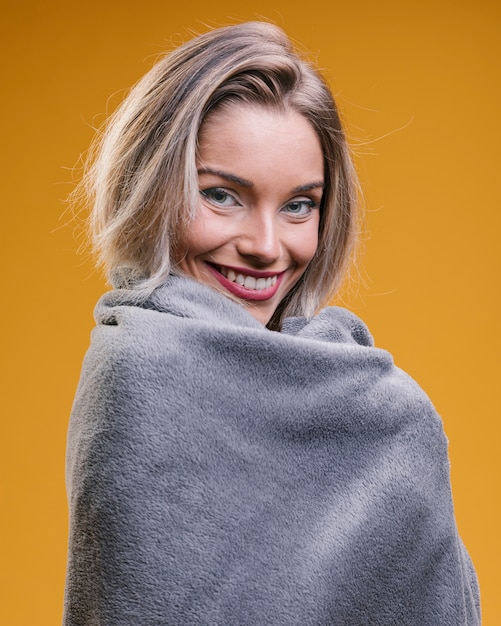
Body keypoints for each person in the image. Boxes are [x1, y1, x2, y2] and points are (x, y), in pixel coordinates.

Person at [64, 21, 480, 625]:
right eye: (222, 196)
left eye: (298, 206)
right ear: (150, 190)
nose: (265, 246)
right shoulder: (139, 375)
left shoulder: (386, 412)